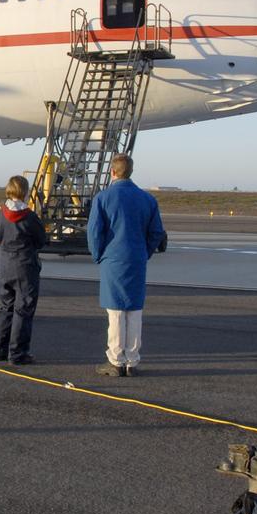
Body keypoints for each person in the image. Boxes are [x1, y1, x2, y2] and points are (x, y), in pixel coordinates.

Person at [87, 154, 165, 377]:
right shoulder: (148, 199)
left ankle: (115, 360)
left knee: (116, 313)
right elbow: (156, 232)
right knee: (134, 311)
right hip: (136, 258)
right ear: (130, 171)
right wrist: (144, 251)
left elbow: (94, 233)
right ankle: (132, 360)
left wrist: (98, 255)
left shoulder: (103, 198)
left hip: (113, 259)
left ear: (112, 172)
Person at [0, 175, 47, 366]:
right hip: (25, 266)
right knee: (23, 310)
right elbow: (41, 241)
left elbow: (0, 237)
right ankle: (18, 353)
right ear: (24, 191)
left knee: (6, 307)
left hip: (5, 265)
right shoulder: (29, 217)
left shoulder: (2, 213)